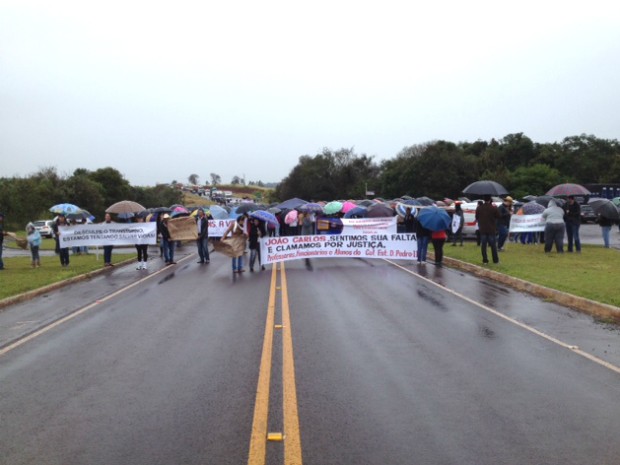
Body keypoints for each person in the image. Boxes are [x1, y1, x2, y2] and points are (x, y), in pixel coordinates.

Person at [476, 195, 500, 264]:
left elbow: (477, 217)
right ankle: (495, 260)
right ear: (490, 200)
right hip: (491, 229)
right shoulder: (493, 208)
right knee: (493, 246)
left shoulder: (479, 208)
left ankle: (485, 260)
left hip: (482, 229)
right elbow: (498, 216)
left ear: (484, 200)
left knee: (483, 245)